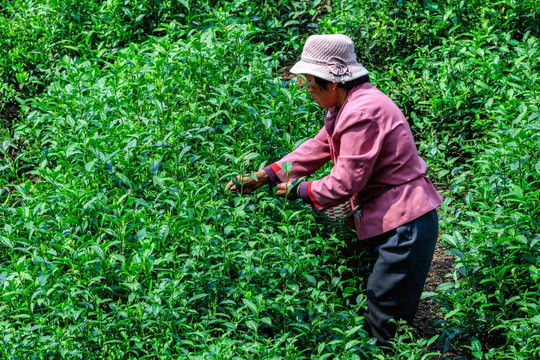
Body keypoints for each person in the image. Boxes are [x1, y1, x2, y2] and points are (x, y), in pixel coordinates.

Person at [226, 34, 443, 345]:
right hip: (394, 220)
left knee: (385, 325)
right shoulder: (348, 104)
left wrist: (298, 190)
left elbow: (344, 183)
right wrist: (264, 176)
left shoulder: (361, 112)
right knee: (380, 311)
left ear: (333, 81)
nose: (307, 90)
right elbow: (317, 148)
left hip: (404, 225)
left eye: (311, 83)